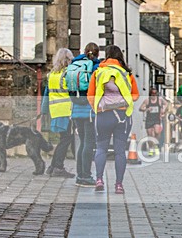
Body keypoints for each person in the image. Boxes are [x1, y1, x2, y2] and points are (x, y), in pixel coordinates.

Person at [87, 45, 140, 194]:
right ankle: (118, 185)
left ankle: (99, 179)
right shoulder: (126, 74)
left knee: (101, 148)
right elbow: (135, 95)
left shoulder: (98, 73)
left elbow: (90, 95)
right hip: (122, 116)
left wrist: (97, 108)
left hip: (104, 114)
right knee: (119, 151)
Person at [67, 43, 101, 187]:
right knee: (89, 143)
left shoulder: (74, 64)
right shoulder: (95, 67)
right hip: (89, 110)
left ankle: (79, 175)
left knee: (82, 142)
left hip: (76, 109)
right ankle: (86, 175)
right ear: (97, 54)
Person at [41, 48, 75, 178]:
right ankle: (58, 167)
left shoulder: (52, 74)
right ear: (67, 60)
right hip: (66, 110)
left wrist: (44, 111)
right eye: (70, 59)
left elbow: (47, 94)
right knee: (66, 139)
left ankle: (52, 166)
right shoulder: (67, 74)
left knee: (63, 138)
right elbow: (72, 92)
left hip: (55, 110)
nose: (72, 61)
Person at [139, 88, 167, 156]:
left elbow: (166, 104)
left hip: (157, 119)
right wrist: (147, 109)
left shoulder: (160, 100)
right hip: (149, 120)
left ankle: (156, 145)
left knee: (157, 132)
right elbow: (140, 108)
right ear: (150, 94)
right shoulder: (147, 101)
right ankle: (151, 148)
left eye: (155, 94)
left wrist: (163, 110)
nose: (154, 95)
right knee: (150, 135)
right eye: (152, 94)